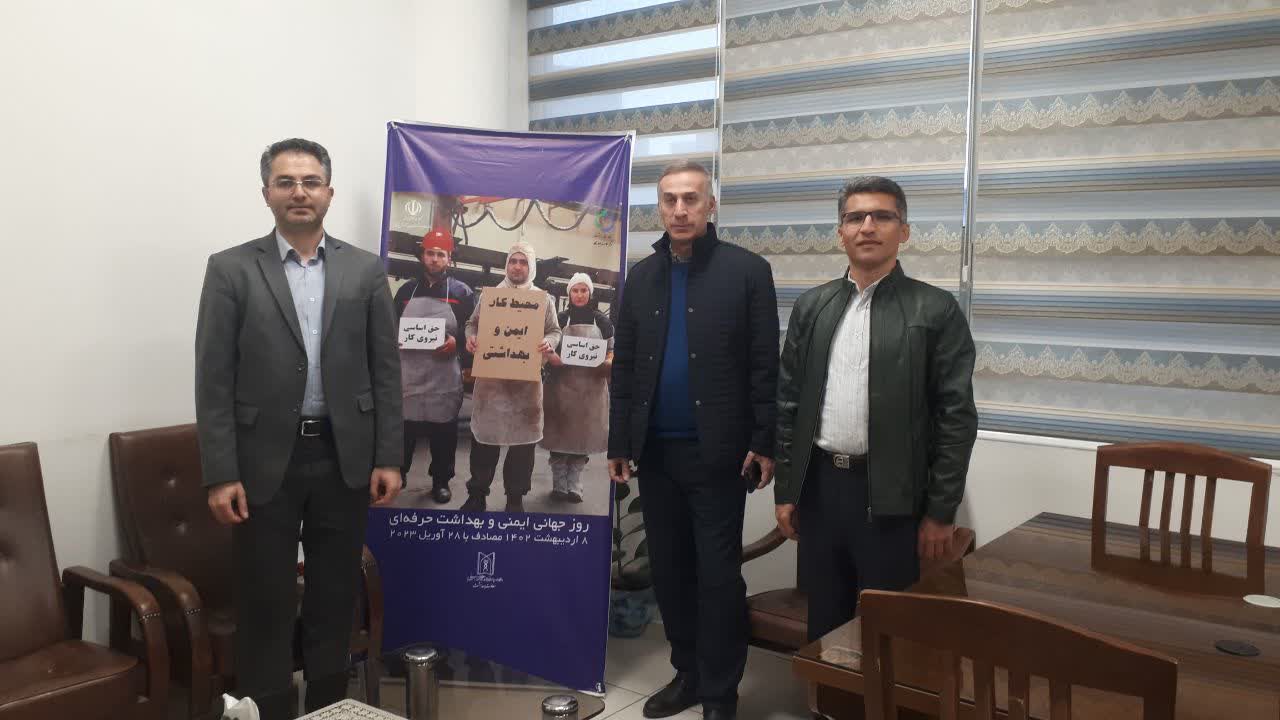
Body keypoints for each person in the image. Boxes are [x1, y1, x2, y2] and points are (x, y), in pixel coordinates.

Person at [195, 138, 402, 719]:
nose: (299, 192)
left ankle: (329, 708)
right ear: (267, 193)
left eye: (310, 182)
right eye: (285, 182)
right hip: (263, 463)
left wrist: (389, 456)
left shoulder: (364, 270)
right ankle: (268, 711)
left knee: (335, 595)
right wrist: (220, 472)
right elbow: (213, 378)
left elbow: (386, 371)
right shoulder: (231, 269)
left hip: (344, 456)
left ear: (329, 192)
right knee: (266, 598)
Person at [607, 160, 779, 720]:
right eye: (669, 200)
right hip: (656, 454)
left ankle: (721, 693)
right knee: (672, 573)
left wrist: (765, 440)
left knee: (718, 577)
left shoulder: (747, 272)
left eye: (691, 198)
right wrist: (618, 442)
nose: (679, 210)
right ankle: (688, 674)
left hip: (719, 456)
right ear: (659, 207)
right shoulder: (642, 277)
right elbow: (626, 367)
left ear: (711, 206)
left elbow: (764, 364)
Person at [773, 175, 977, 643]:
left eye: (882, 216)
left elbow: (956, 419)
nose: (867, 226)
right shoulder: (813, 306)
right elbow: (788, 405)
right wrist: (786, 491)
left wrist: (941, 512)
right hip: (822, 491)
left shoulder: (935, 309)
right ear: (840, 232)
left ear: (903, 231)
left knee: (890, 631)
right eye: (855, 218)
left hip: (894, 498)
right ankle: (826, 692)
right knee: (826, 626)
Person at [462, 241, 561, 513]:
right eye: (513, 261)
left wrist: (550, 342)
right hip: (491, 386)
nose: (517, 267)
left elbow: (554, 330)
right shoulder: (490, 297)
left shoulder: (543, 300)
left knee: (522, 446)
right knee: (485, 440)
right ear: (507, 265)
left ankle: (515, 498)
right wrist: (471, 338)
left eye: (523, 262)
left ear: (531, 267)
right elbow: (472, 324)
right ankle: (477, 494)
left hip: (525, 388)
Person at [394, 228, 475, 504]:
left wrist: (457, 341)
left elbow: (474, 329)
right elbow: (391, 325)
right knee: (404, 428)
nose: (435, 259)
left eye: (441, 254)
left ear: (449, 259)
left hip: (444, 375)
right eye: (430, 253)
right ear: (423, 256)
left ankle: (441, 481)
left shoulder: (462, 292)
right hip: (409, 374)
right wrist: (396, 338)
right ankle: (398, 473)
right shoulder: (406, 291)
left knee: (444, 431)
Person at [541, 272, 614, 503]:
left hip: (591, 391)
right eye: (575, 290)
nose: (580, 295)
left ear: (590, 293)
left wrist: (609, 361)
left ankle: (575, 484)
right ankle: (559, 484)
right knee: (559, 437)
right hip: (560, 388)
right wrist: (551, 357)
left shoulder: (602, 321)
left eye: (584, 290)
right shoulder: (560, 319)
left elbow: (611, 350)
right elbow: (547, 348)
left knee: (583, 438)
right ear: (569, 293)